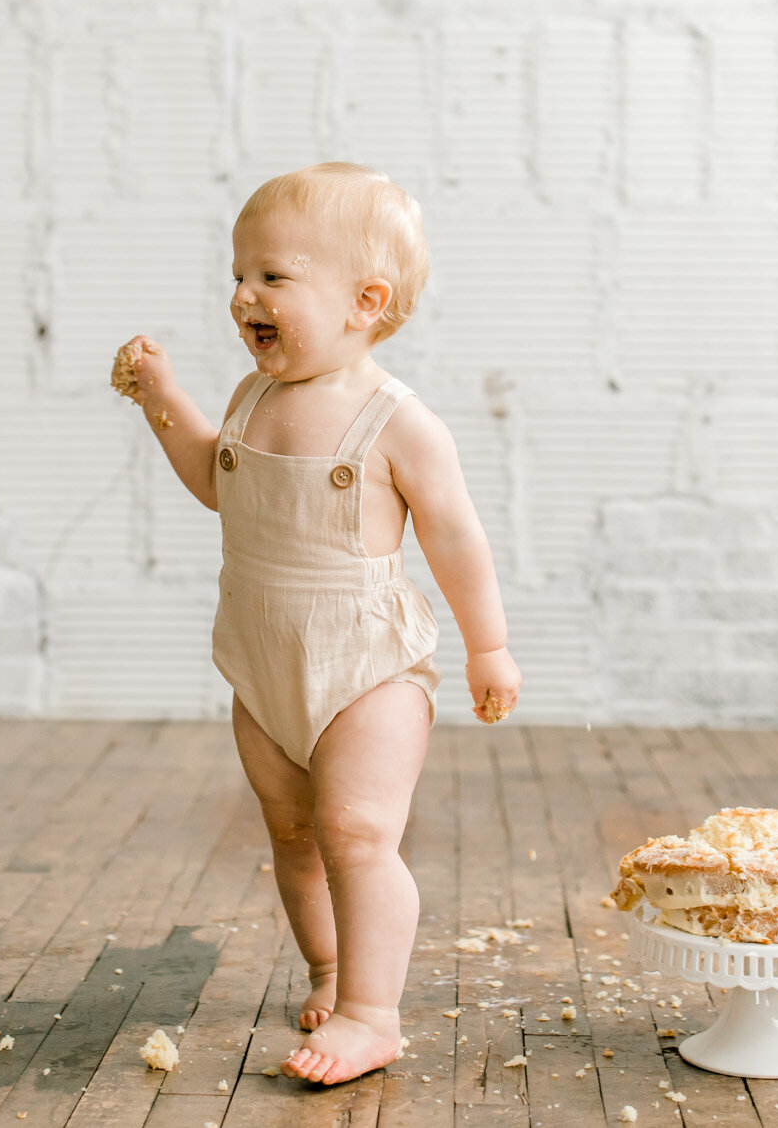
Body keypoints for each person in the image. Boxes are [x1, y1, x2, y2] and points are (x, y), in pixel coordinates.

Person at [112, 161, 521, 1085]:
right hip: (264, 660)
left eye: (272, 277)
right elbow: (218, 483)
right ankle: (334, 970)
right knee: (293, 834)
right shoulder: (251, 399)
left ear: (364, 301)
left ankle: (373, 1013)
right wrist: (160, 402)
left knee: (358, 832)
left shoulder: (397, 423)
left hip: (367, 663)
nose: (242, 295)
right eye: (239, 273)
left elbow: (457, 536)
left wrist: (486, 643)